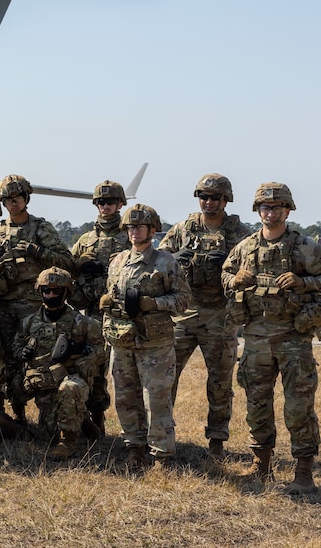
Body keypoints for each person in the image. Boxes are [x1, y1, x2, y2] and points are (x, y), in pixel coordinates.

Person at [222, 182, 321, 495]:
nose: (270, 212)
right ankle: (261, 467)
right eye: (265, 207)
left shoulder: (305, 248)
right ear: (257, 211)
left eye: (277, 207)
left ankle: (304, 474)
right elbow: (224, 277)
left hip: (293, 339)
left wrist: (304, 281)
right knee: (256, 405)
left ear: (288, 210)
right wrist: (234, 279)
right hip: (255, 340)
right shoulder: (245, 247)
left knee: (298, 407)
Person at [158, 174, 252, 460]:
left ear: (226, 200)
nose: (208, 202)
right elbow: (160, 259)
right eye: (203, 196)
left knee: (220, 384)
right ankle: (163, 437)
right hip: (183, 315)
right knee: (165, 377)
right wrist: (176, 259)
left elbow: (252, 264)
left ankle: (217, 441)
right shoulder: (184, 228)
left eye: (214, 198)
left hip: (221, 317)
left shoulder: (238, 232)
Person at [99, 204, 191, 469]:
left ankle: (162, 455)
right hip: (122, 340)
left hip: (154, 343)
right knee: (125, 398)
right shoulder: (117, 261)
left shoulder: (166, 262)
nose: (134, 232)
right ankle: (134, 449)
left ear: (152, 230)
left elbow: (183, 300)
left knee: (156, 399)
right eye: (130, 227)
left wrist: (156, 303)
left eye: (140, 227)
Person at [0, 174, 73, 423]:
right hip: (4, 306)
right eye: (8, 199)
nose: (13, 203)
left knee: (39, 359)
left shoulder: (40, 228)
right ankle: (4, 413)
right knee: (0, 359)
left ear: (26, 198)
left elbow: (66, 262)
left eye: (17, 198)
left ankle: (49, 415)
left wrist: (37, 252)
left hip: (35, 307)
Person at [12, 267, 104, 459]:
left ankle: (67, 441)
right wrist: (23, 352)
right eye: (46, 290)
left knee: (71, 387)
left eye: (56, 291)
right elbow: (16, 347)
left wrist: (79, 352)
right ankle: (20, 421)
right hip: (40, 383)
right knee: (47, 434)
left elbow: (100, 353)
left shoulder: (84, 324)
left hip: (67, 381)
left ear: (66, 292)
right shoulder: (28, 323)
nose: (51, 295)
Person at [69, 180, 131, 436]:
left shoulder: (129, 236)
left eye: (110, 202)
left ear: (120, 204)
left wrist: (105, 270)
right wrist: (81, 265)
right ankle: (94, 418)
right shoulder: (85, 239)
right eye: (100, 202)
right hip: (92, 314)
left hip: (122, 313)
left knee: (123, 372)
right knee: (92, 367)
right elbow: (69, 269)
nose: (105, 207)